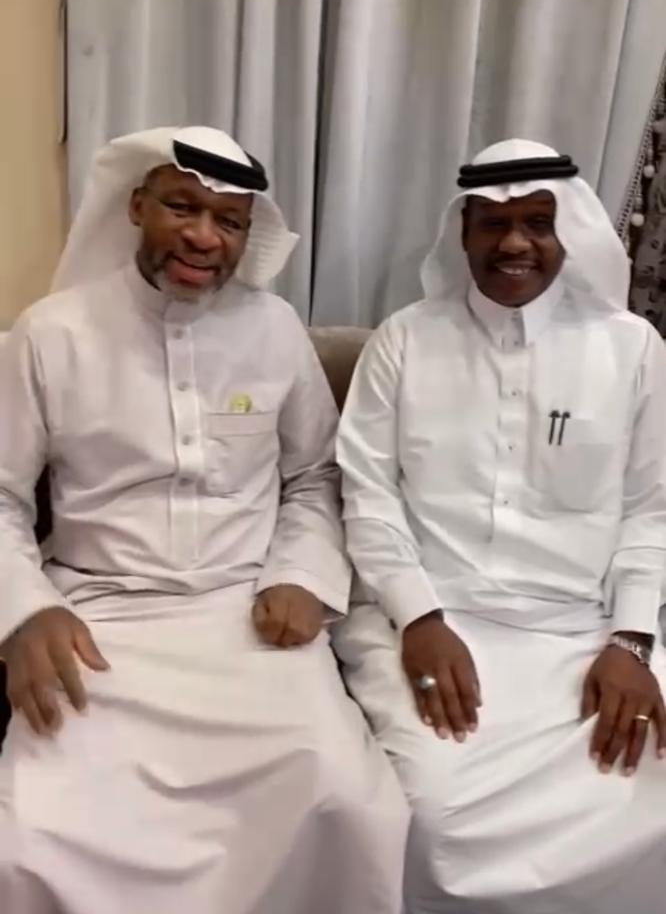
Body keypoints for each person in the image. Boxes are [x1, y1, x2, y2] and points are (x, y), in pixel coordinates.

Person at [0, 126, 408, 914]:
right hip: (99, 622)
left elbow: (316, 475)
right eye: (182, 207)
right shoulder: (50, 333)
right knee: (33, 841)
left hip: (248, 616)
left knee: (348, 803)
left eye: (228, 221)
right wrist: (23, 613)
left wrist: (301, 574)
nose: (203, 236)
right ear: (136, 207)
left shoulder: (275, 329)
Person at [334, 139, 666, 913]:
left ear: (566, 231)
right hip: (432, 624)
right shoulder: (404, 340)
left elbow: (651, 508)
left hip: (587, 631)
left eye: (537, 222)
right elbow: (368, 497)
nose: (515, 242)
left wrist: (630, 643)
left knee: (648, 786)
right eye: (493, 223)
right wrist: (420, 619)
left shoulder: (632, 349)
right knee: (429, 816)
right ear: (463, 232)